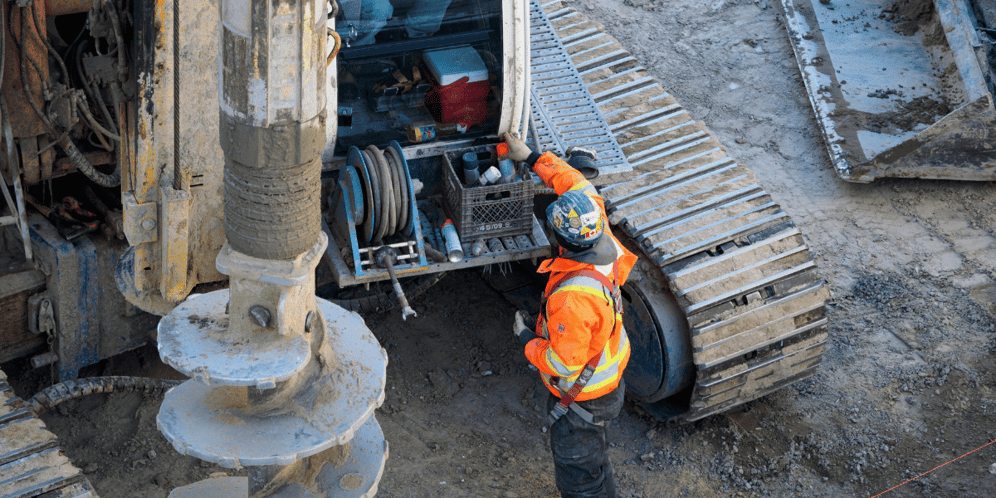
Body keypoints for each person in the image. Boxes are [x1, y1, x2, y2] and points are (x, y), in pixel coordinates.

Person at [500, 132, 637, 498]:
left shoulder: (572, 299)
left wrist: (527, 340)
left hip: (583, 397)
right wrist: (529, 156)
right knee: (594, 463)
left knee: (579, 476)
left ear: (558, 239)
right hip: (607, 380)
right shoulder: (598, 231)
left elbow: (562, 363)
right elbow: (574, 183)